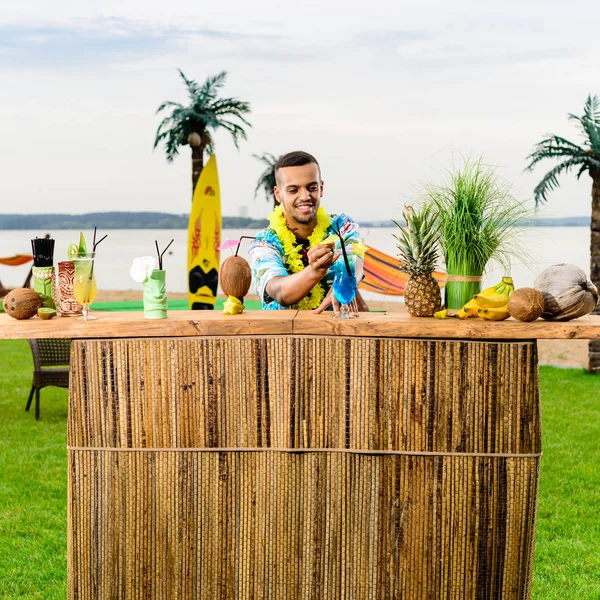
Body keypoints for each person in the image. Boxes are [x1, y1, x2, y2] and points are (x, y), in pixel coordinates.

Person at [248, 151, 368, 316]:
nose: (305, 196)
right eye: (293, 190)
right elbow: (280, 291)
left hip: (337, 334)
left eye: (312, 187)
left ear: (321, 188)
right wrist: (314, 272)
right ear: (278, 194)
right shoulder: (264, 243)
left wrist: (344, 283)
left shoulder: (342, 227)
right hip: (284, 338)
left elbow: (356, 262)